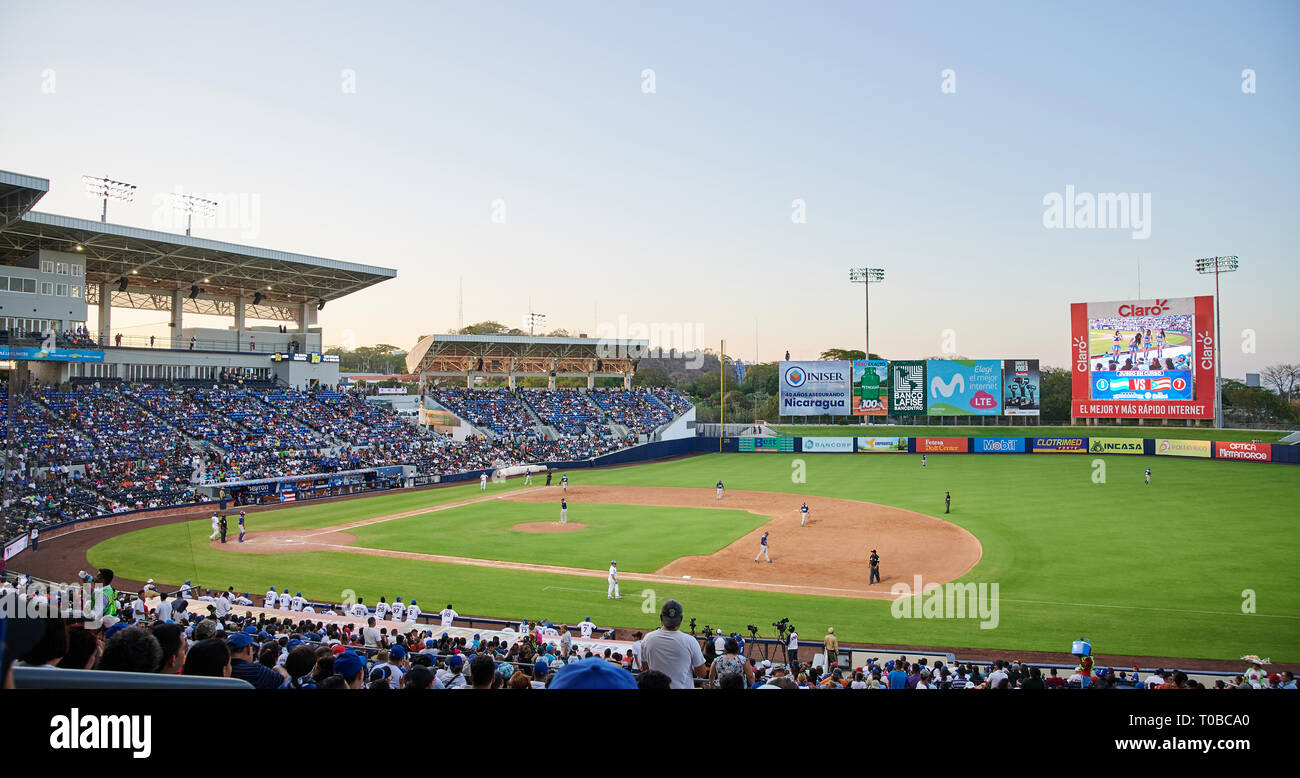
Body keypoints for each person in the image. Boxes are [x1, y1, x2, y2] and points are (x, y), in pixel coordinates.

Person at [640, 600, 706, 689]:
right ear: (681, 619)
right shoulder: (690, 641)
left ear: (661, 618)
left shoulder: (647, 639)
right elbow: (702, 673)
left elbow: (645, 669)